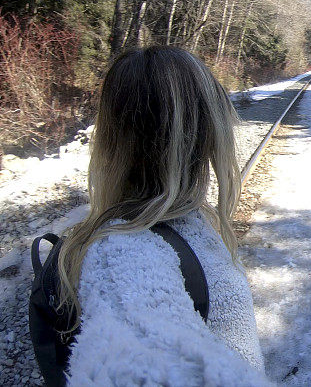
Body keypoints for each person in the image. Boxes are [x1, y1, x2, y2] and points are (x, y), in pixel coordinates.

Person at [55, 46, 267, 384]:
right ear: (208, 136)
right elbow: (140, 360)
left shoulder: (192, 222)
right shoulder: (125, 253)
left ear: (111, 142)